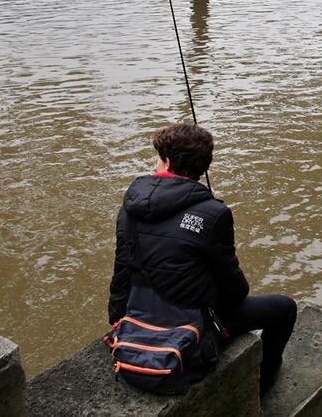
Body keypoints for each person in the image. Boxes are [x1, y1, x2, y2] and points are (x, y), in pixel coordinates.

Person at [108, 123, 297, 395]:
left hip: (136, 319)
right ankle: (263, 383)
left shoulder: (128, 210)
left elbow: (122, 274)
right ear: (202, 167)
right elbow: (236, 291)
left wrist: (118, 319)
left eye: (159, 156)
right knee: (285, 308)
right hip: (192, 330)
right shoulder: (213, 213)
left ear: (167, 162)